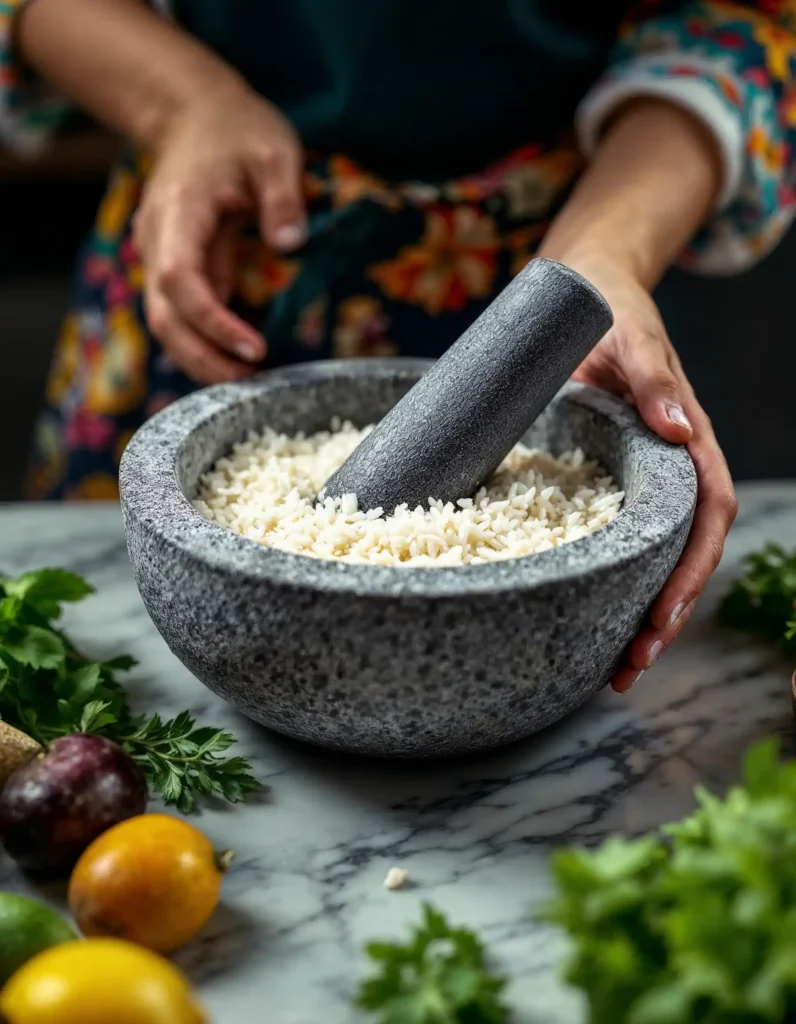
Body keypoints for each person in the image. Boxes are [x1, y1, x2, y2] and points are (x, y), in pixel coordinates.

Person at [2, 0, 791, 692]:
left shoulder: (560, 316)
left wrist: (605, 254)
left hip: (568, 259)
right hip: (220, 246)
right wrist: (186, 105)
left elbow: (740, 20)